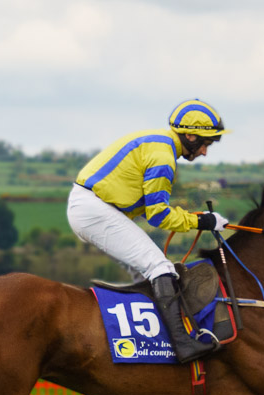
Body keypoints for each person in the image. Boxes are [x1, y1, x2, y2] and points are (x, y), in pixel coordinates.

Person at [67, 98, 231, 363]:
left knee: (150, 272)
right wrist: (202, 222)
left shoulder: (158, 143)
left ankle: (150, 342)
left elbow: (146, 207)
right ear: (189, 136)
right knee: (161, 268)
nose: (204, 152)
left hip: (93, 207)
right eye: (205, 144)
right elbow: (158, 215)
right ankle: (183, 345)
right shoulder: (163, 157)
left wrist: (200, 218)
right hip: (94, 210)